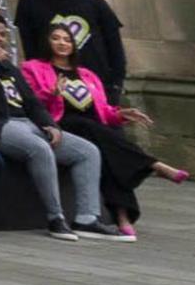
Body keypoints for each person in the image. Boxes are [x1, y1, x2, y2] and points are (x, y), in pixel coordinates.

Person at [0, 6, 107, 237]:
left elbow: (31, 101)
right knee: (39, 148)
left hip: (26, 122)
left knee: (87, 151)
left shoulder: (6, 64)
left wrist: (49, 124)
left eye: (2, 34)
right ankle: (55, 218)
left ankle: (87, 218)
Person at [26, 22, 163, 239]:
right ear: (47, 41)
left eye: (67, 39)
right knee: (93, 131)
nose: (62, 43)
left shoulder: (87, 74)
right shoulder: (33, 68)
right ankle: (151, 164)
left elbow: (103, 110)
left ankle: (121, 217)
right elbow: (30, 102)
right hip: (60, 125)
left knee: (111, 155)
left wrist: (120, 114)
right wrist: (52, 93)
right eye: (56, 38)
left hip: (93, 129)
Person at [17, 0, 128, 92]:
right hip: (51, 84)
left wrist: (116, 83)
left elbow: (115, 46)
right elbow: (29, 46)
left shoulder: (95, 4)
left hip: (96, 84)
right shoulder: (29, 2)